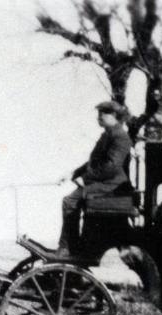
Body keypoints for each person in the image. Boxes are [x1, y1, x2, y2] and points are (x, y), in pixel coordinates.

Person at [56, 101, 132, 257]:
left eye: (104, 113)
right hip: (105, 182)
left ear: (115, 116)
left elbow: (111, 166)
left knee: (69, 201)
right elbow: (94, 162)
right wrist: (73, 174)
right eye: (99, 113)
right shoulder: (108, 134)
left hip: (112, 184)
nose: (99, 116)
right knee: (71, 200)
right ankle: (72, 245)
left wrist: (85, 178)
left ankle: (68, 247)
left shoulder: (120, 137)